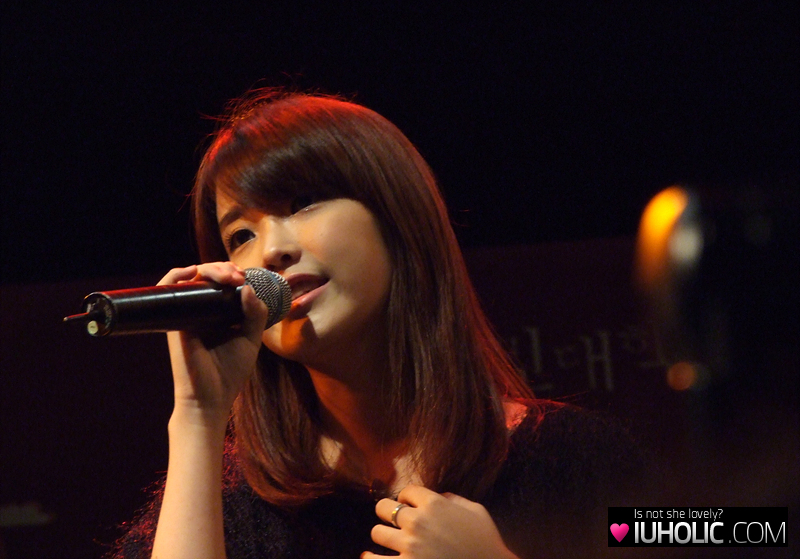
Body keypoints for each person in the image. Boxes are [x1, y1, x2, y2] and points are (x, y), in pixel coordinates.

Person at [111, 90, 642, 559]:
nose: (272, 250)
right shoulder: (224, 506)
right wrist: (198, 418)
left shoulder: (581, 461)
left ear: (395, 214)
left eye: (303, 203)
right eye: (241, 236)